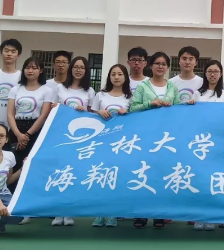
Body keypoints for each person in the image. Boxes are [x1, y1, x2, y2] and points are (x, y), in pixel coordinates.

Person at [130, 52, 189, 230]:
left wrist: (179, 107)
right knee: (143, 173)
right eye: (157, 63)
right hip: (145, 135)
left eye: (164, 64)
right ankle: (141, 214)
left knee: (161, 174)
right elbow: (132, 108)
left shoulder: (172, 87)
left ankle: (159, 214)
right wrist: (150, 104)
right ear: (151, 65)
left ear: (168, 67)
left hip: (166, 138)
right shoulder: (143, 86)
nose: (160, 67)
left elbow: (179, 111)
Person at [51, 56, 96, 227]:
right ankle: (57, 211)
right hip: (60, 136)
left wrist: (84, 111)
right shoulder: (60, 88)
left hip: (81, 138)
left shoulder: (89, 91)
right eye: (76, 67)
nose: (78, 70)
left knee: (73, 173)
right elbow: (51, 109)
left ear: (86, 71)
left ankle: (69, 212)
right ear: (71, 69)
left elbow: (93, 115)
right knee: (59, 171)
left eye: (82, 67)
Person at [191, 60, 224, 231]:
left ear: (221, 74)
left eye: (216, 71)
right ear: (205, 73)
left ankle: (211, 217)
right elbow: (191, 117)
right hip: (200, 143)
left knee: (214, 179)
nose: (213, 74)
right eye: (210, 71)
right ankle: (199, 217)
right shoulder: (197, 94)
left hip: (218, 142)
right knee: (200, 179)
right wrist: (190, 106)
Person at [91, 64, 132, 228]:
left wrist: (127, 114)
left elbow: (137, 117)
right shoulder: (100, 95)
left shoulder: (130, 97)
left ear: (125, 77)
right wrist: (98, 112)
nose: (116, 77)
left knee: (116, 176)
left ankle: (113, 213)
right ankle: (99, 214)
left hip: (121, 143)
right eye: (113, 74)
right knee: (101, 175)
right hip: (102, 142)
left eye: (120, 74)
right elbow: (91, 114)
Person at [7, 56, 55, 193]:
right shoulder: (15, 89)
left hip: (35, 131)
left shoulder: (47, 91)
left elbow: (43, 115)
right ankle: (10, 196)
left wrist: (27, 135)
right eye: (27, 67)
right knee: (14, 164)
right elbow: (10, 114)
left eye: (34, 68)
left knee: (32, 164)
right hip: (16, 129)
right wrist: (18, 135)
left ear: (41, 71)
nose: (30, 70)